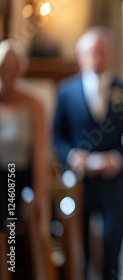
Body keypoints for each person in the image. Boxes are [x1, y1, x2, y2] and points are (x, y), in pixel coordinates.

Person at [52, 26, 123, 280]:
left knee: (111, 250)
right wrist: (71, 156)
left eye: (102, 52)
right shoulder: (65, 92)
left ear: (110, 55)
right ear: (81, 56)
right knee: (80, 250)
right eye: (92, 52)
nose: (97, 57)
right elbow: (56, 138)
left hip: (116, 185)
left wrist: (118, 159)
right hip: (79, 185)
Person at [0, 39, 49, 280]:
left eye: (13, 66)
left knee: (11, 227)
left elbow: (40, 153)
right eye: (3, 66)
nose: (7, 71)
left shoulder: (33, 104)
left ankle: (11, 270)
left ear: (20, 68)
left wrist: (40, 192)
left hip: (16, 176)